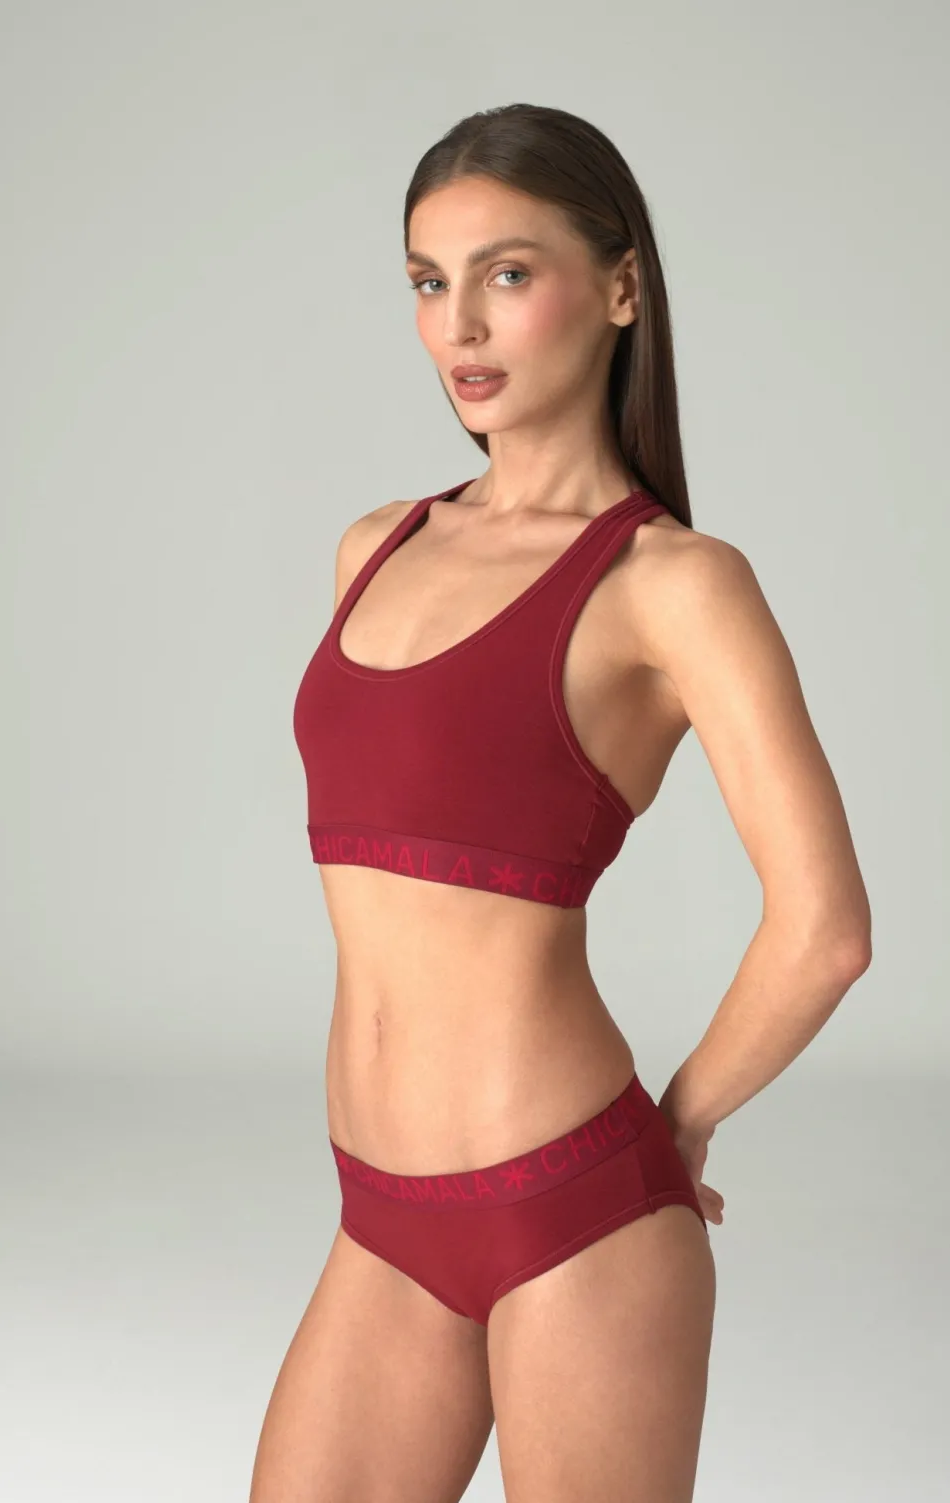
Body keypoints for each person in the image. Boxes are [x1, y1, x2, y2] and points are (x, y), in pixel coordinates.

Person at [249, 103, 872, 1503]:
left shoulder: (675, 585)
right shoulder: (376, 547)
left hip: (573, 1211)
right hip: (380, 1217)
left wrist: (681, 1120)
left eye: (509, 273)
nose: (460, 324)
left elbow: (826, 927)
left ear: (623, 287)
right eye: (430, 281)